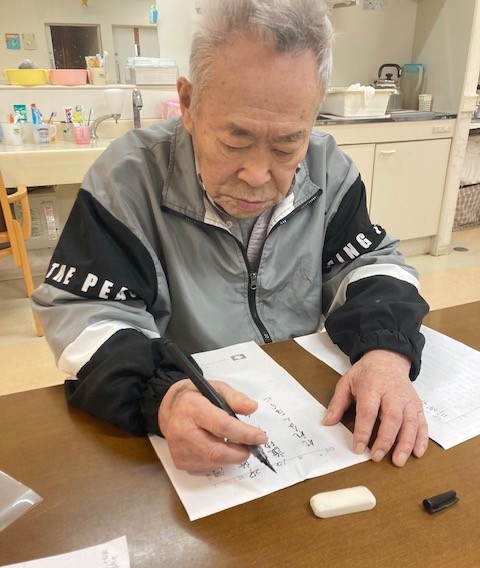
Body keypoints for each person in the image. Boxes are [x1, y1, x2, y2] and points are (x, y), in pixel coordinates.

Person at [32, 0, 429, 472]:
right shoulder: (126, 182)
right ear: (188, 104)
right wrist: (164, 394)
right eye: (234, 140)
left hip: (304, 415)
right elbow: (85, 315)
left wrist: (385, 351)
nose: (257, 176)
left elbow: (369, 264)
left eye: (287, 144)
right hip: (188, 420)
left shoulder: (328, 169)